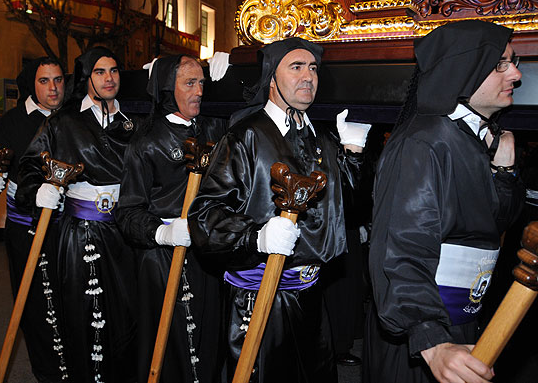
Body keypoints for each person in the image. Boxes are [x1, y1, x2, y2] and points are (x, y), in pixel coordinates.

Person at [188, 37, 370, 383]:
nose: (308, 77)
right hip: (259, 297)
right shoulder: (245, 137)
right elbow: (204, 217)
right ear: (272, 78)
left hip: (312, 296)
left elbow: (349, 209)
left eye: (313, 68)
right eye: (297, 67)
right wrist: (255, 237)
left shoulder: (321, 137)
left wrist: (354, 154)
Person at [363, 20, 525, 383]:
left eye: (514, 61)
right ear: (464, 70)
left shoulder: (475, 137)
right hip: (420, 340)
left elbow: (495, 226)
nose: (515, 73)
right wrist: (432, 341)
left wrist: (505, 172)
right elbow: (400, 249)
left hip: (459, 324)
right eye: (501, 63)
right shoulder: (424, 143)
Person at [16, 46, 138, 383]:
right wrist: (38, 189)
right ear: (86, 78)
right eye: (100, 72)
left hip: (126, 232)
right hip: (81, 234)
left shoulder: (133, 123)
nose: (109, 78)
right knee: (86, 316)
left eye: (114, 71)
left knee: (126, 315)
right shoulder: (64, 123)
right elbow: (29, 166)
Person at [116, 55, 227, 383]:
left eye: (202, 83)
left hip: (206, 252)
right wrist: (162, 234)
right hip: (163, 258)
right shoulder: (145, 143)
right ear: (167, 89)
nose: (199, 91)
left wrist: (232, 67)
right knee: (174, 346)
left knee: (209, 338)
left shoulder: (212, 128)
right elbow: (128, 213)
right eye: (189, 83)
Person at [0, 57, 67, 382]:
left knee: (68, 299)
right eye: (45, 81)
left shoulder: (70, 117)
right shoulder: (13, 121)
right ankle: (48, 371)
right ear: (32, 84)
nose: (53, 88)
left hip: (67, 228)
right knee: (36, 303)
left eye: (58, 80)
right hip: (25, 227)